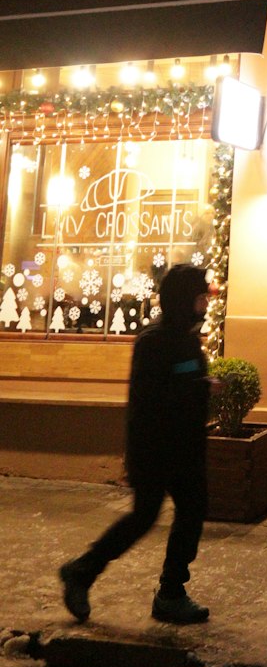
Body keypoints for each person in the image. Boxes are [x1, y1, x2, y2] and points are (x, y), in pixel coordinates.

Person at [58, 264, 216, 626]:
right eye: (199, 297)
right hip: (157, 450)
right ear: (182, 300)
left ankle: (171, 593)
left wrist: (204, 386)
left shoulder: (187, 339)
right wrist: (196, 389)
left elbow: (185, 384)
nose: (204, 304)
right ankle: (82, 571)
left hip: (185, 449)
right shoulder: (154, 341)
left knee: (192, 514)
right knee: (143, 518)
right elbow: (148, 401)